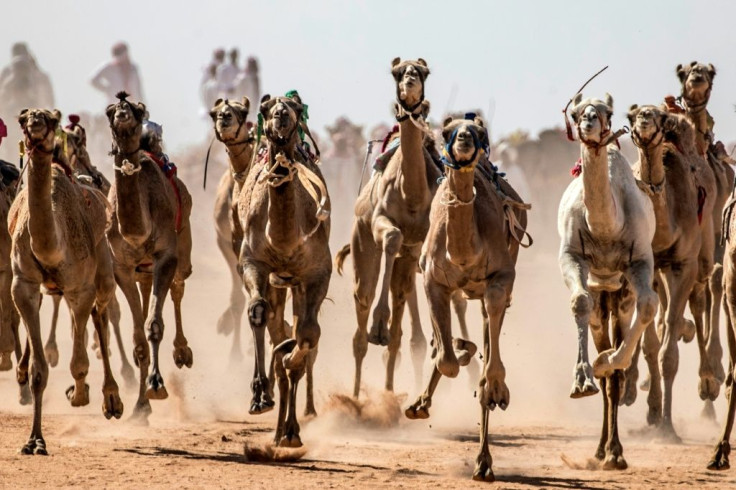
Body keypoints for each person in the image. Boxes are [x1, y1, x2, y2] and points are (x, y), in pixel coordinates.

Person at [0, 42, 55, 114]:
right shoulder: (7, 73)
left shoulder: (38, 74)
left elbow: (48, 98)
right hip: (11, 109)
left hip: (34, 108)